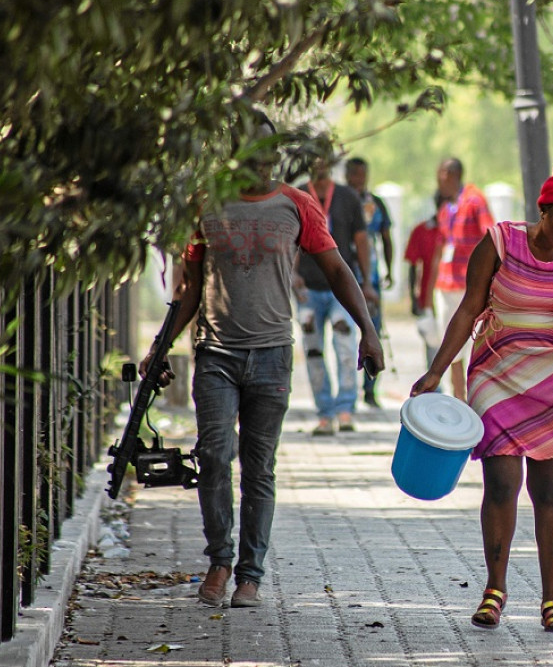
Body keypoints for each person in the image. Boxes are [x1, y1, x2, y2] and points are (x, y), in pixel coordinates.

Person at [140, 114, 384, 609]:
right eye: (252, 154)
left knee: (259, 467)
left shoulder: (297, 205)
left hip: (272, 354)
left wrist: (369, 330)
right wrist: (159, 348)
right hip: (216, 354)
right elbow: (189, 289)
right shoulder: (207, 203)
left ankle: (250, 574)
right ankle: (219, 560)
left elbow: (338, 269)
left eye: (269, 154)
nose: (263, 163)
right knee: (213, 455)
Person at [411, 163, 553, 633]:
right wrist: (436, 371)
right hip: (497, 373)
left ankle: (552, 600)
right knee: (501, 482)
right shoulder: (501, 242)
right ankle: (495, 590)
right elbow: (467, 309)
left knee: (550, 489)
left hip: (552, 380)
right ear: (543, 210)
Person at [294, 158, 378, 434]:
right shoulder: (296, 195)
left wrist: (366, 283)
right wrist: (291, 275)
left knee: (345, 348)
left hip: (340, 288)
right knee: (313, 350)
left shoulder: (346, 197)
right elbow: (287, 240)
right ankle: (324, 412)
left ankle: (345, 410)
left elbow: (361, 241)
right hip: (307, 289)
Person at [431, 157, 494, 400]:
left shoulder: (474, 199)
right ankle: (458, 398)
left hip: (469, 284)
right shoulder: (447, 205)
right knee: (450, 346)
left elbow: (490, 235)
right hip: (446, 284)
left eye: (441, 177)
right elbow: (441, 246)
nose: (439, 182)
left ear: (450, 175)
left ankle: (474, 399)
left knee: (473, 344)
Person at [344, 157, 393, 408]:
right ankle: (346, 393)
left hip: (370, 279)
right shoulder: (339, 202)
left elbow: (386, 237)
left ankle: (370, 389)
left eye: (362, 175)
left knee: (372, 330)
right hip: (342, 276)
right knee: (343, 334)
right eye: (354, 174)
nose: (359, 180)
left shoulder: (376, 204)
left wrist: (389, 270)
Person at [403, 211, 443, 372]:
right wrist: (414, 298)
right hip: (429, 298)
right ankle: (435, 389)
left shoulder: (458, 231)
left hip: (457, 296)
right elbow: (413, 265)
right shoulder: (421, 231)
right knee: (432, 344)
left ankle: (457, 392)